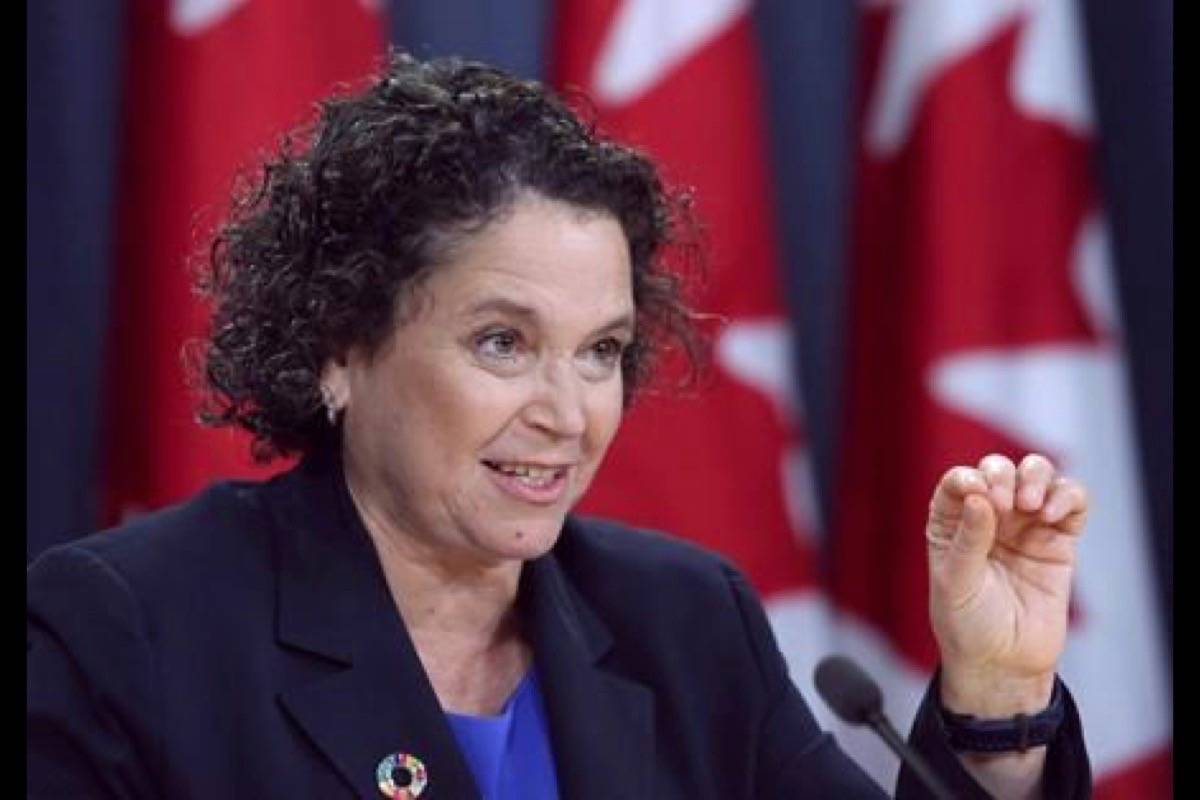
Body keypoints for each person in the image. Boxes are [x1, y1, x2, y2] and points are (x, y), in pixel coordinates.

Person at [27, 51, 1091, 799]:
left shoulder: (685, 621)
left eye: (603, 351)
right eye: (502, 341)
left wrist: (999, 708)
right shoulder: (132, 627)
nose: (568, 413)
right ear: (340, 346)